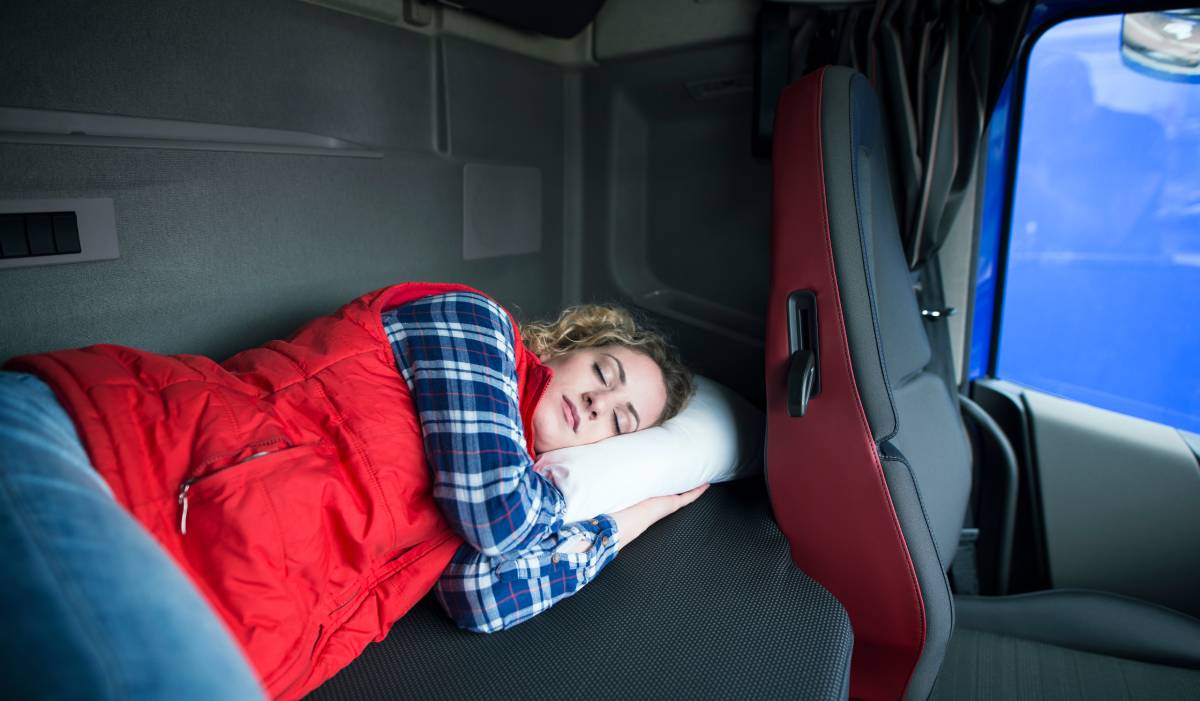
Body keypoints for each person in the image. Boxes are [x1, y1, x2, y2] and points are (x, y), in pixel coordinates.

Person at [0, 281, 705, 701]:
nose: (598, 401)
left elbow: (484, 599)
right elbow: (499, 513)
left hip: (213, 613)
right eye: (605, 370)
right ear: (565, 347)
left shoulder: (510, 479)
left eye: (623, 422)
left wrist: (632, 511)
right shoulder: (476, 326)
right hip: (97, 453)